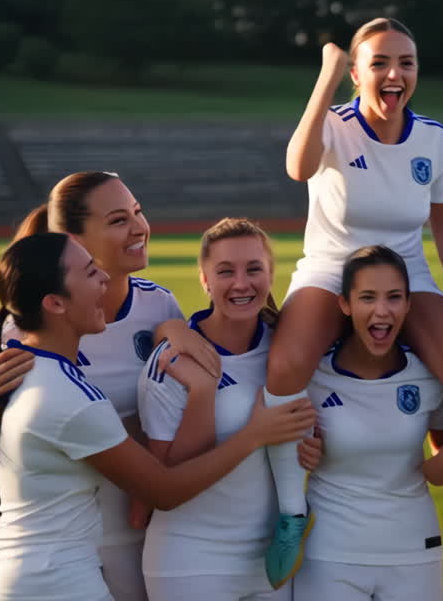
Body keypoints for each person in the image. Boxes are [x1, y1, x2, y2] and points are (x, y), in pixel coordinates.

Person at [263, 18, 443, 588]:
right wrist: (326, 74)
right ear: (356, 73)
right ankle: (293, 512)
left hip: (405, 273)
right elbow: (296, 166)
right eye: (380, 63)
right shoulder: (335, 125)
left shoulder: (433, 138)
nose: (395, 74)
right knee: (286, 367)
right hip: (332, 268)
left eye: (407, 63)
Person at [0, 232, 316, 601]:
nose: (104, 281)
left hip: (0, 566)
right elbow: (163, 490)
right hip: (50, 579)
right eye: (90, 273)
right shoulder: (71, 397)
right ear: (55, 303)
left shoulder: (10, 365)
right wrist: (253, 434)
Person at [0, 171, 220, 601]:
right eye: (117, 220)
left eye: (138, 212)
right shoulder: (22, 331)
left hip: (136, 529)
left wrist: (173, 328)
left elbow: (175, 412)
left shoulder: (159, 304)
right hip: (64, 537)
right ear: (73, 239)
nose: (139, 228)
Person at [136, 218, 321, 600]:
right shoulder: (172, 360)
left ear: (271, 275)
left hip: (271, 556)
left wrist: (313, 450)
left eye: (254, 269)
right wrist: (254, 435)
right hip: (190, 556)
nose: (241, 284)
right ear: (204, 280)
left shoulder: (288, 350)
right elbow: (166, 479)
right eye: (225, 272)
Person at [294, 245, 443, 601]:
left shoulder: (429, 373)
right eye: (367, 298)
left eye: (394, 298)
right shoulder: (312, 374)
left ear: (408, 304)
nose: (382, 311)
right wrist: (299, 450)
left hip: (414, 550)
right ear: (345, 304)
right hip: (330, 554)